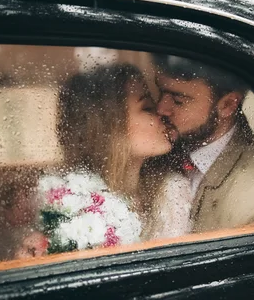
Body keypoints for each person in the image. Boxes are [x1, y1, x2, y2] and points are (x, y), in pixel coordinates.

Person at [16, 63, 190, 258]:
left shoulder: (171, 191)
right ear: (111, 129)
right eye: (148, 107)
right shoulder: (63, 196)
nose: (162, 113)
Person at [151, 54, 254, 233]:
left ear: (227, 105)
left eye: (177, 100)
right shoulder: (160, 149)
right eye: (160, 92)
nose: (161, 108)